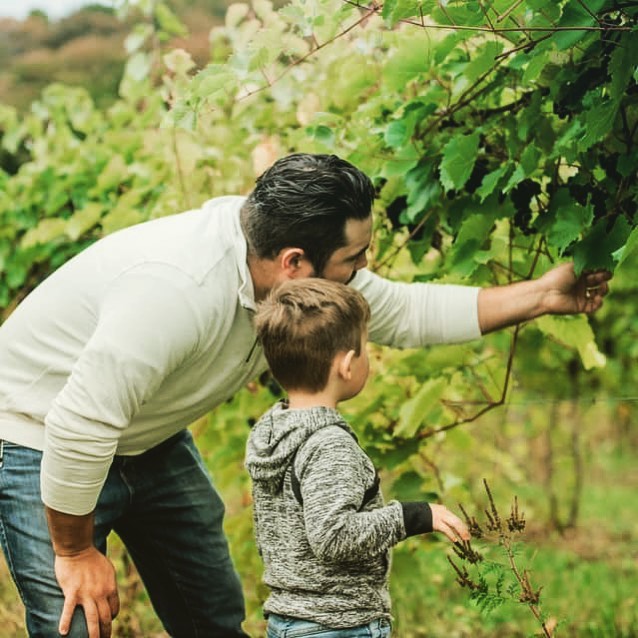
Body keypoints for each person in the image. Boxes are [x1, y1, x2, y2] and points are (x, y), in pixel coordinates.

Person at [0, 153, 610, 638]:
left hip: (144, 434)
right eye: (354, 258)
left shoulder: (280, 270)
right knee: (76, 626)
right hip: (38, 433)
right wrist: (75, 549)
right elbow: (80, 423)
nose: (362, 269)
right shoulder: (174, 293)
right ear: (295, 262)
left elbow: (402, 311)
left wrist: (541, 296)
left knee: (211, 617)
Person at [246, 278, 471, 637]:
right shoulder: (328, 445)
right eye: (365, 347)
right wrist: (414, 516)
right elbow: (333, 537)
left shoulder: (272, 433)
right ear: (348, 364)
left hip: (290, 620)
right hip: (337, 625)